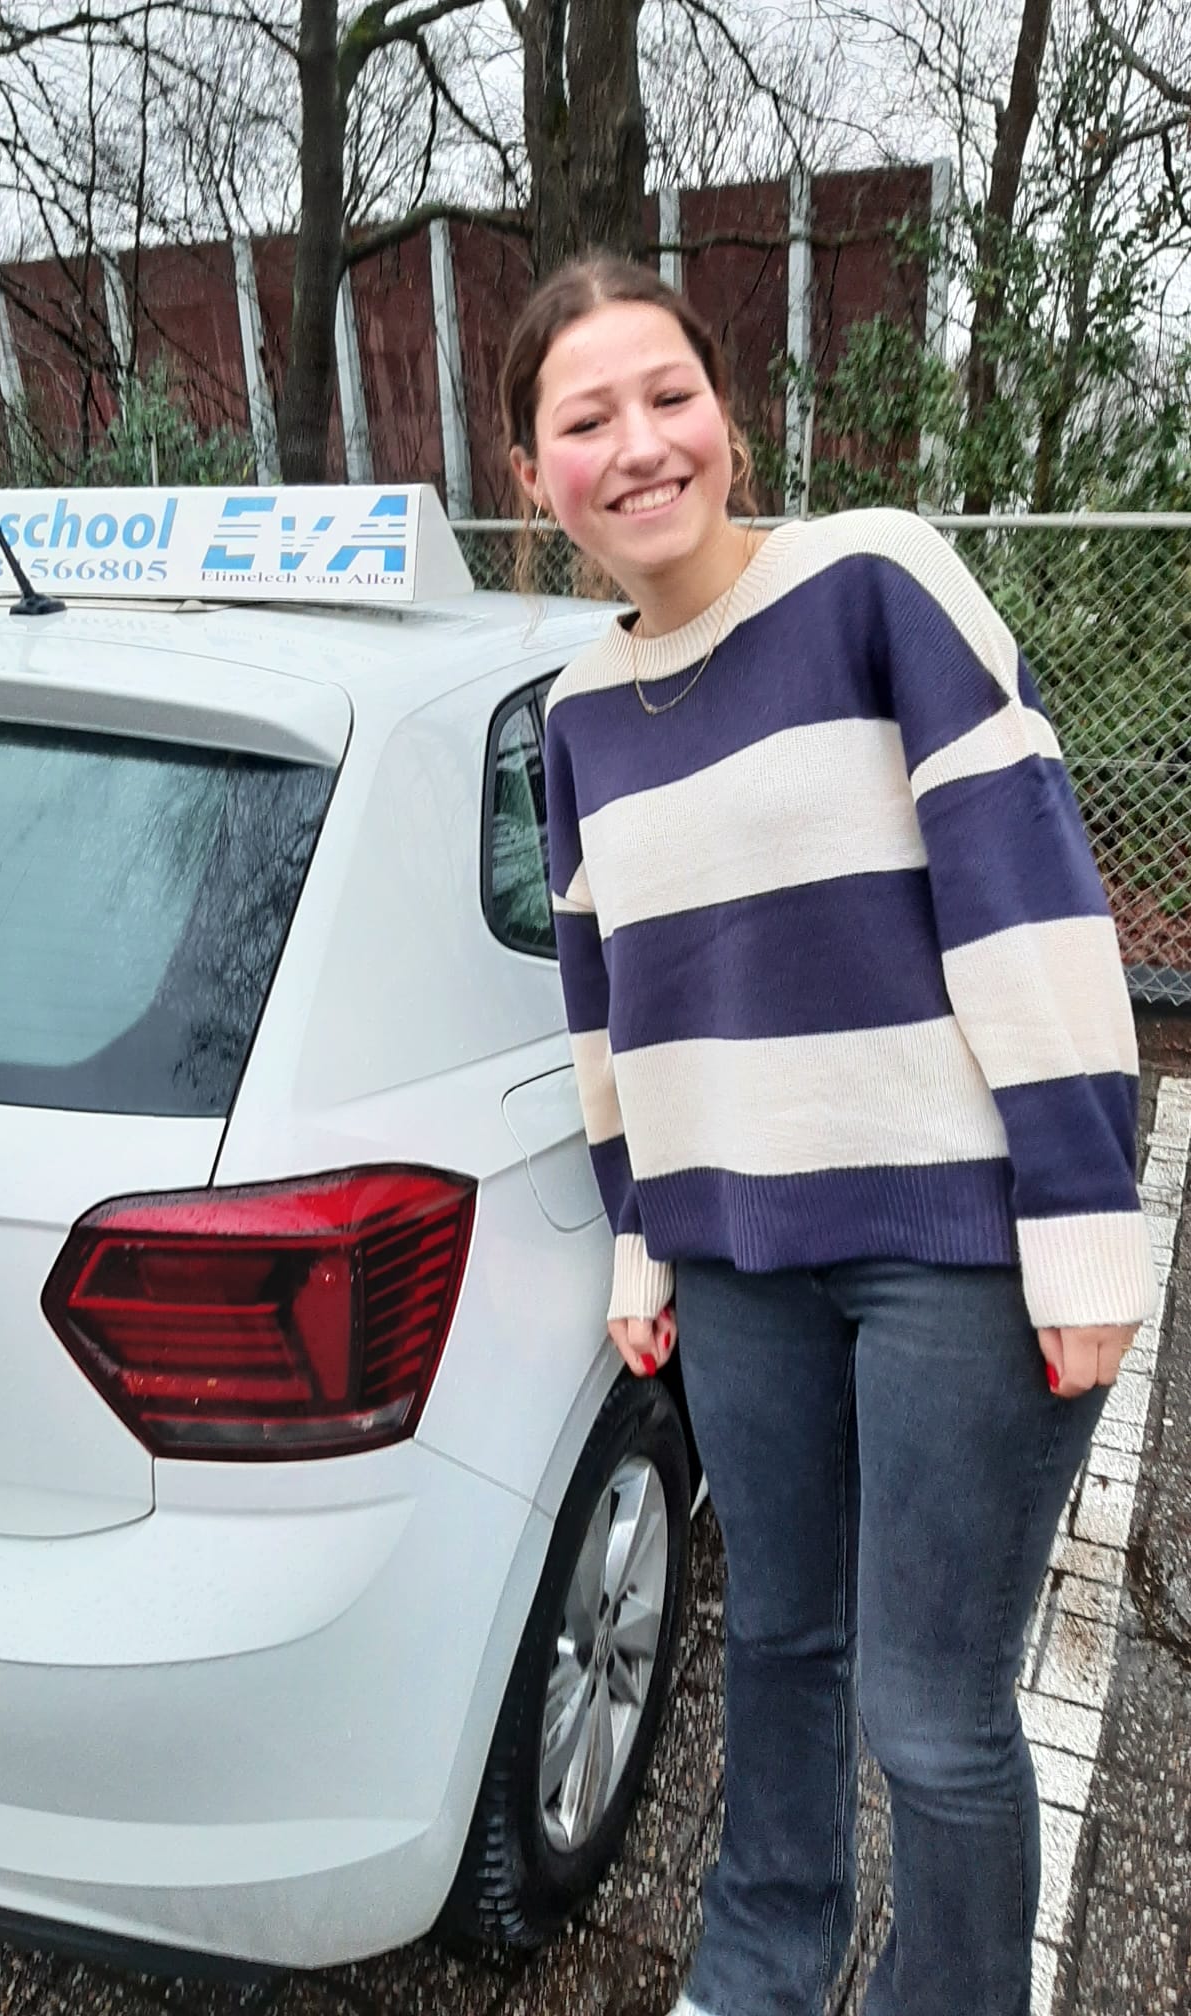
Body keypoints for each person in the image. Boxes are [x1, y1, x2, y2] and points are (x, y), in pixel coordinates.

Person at [500, 253, 1154, 2016]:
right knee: (780, 1646)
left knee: (930, 1712)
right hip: (736, 1258)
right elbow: (608, 1003)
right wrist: (642, 1234)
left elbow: (1026, 895)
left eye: (670, 396)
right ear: (535, 476)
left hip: (953, 1249)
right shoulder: (573, 716)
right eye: (588, 420)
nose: (642, 444)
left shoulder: (873, 578)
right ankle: (760, 1969)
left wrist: (1085, 1219)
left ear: (727, 413)